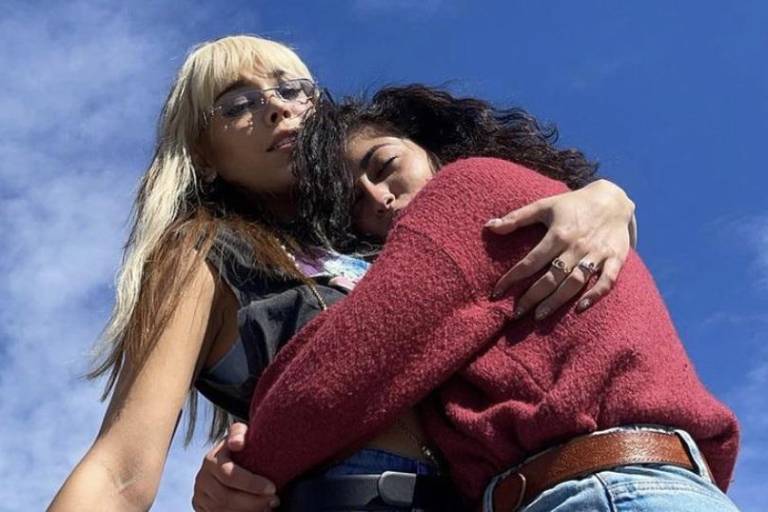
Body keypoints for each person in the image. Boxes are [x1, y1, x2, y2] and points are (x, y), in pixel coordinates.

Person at [48, 35, 637, 511]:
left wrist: (606, 200)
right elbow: (120, 471)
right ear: (204, 156)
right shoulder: (204, 248)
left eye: (291, 89)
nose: (277, 107)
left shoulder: (395, 231)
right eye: (238, 104)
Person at [222, 88, 740, 511]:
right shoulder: (525, 224)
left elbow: (345, 363)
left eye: (384, 164)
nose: (380, 197)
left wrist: (242, 474)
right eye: (355, 202)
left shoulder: (467, 189)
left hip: (600, 491)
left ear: (429, 145)